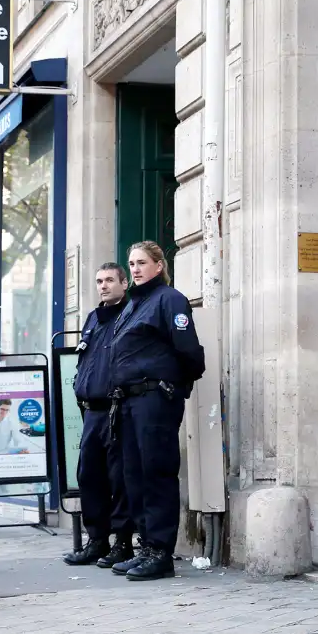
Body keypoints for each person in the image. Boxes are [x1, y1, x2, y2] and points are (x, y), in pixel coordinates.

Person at [108, 241, 205, 581]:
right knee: (134, 475)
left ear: (159, 266)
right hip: (130, 401)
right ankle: (146, 546)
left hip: (155, 398)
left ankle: (161, 552)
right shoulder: (133, 304)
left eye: (142, 263)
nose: (134, 269)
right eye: (131, 263)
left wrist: (174, 387)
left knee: (157, 473)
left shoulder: (169, 299)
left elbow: (189, 352)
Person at [63, 262, 134, 568]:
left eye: (109, 280)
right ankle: (97, 541)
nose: (103, 286)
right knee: (89, 476)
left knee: (119, 479)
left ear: (124, 282)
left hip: (118, 408)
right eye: (99, 281)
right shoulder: (93, 317)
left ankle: (122, 543)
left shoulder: (131, 313)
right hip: (91, 411)